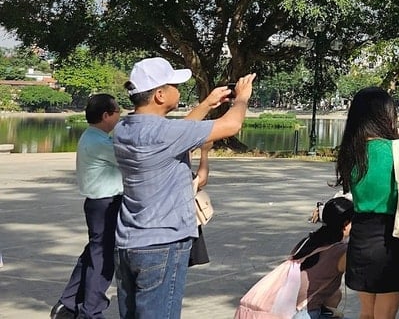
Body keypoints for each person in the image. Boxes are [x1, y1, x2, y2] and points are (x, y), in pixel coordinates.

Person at [112, 58, 255, 319]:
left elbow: (178, 133)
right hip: (163, 244)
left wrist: (207, 104)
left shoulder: (123, 128)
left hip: (128, 243)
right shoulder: (164, 133)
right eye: (175, 85)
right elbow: (231, 125)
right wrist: (242, 99)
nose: (179, 90)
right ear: (159, 94)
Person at [334, 87, 399, 319]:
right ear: (385, 115)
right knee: (385, 315)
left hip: (361, 237)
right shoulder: (397, 148)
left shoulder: (351, 151)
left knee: (367, 313)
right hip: (391, 239)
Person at [52, 94, 123, 319]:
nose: (120, 116)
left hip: (98, 204)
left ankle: (68, 303)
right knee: (102, 258)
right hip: (105, 204)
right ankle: (91, 310)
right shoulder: (100, 142)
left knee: (92, 254)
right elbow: (130, 159)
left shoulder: (92, 136)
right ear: (106, 115)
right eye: (117, 112)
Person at [290, 197, 354, 319]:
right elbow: (363, 277)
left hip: (285, 307)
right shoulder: (340, 251)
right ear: (346, 225)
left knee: (335, 294)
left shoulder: (308, 241)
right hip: (305, 314)